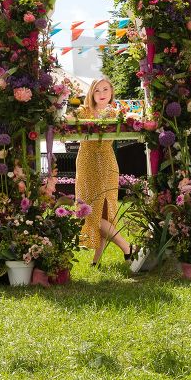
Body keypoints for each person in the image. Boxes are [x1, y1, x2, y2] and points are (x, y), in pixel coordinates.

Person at [75, 78, 131, 265]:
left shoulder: (117, 113)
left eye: (105, 89)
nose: (101, 93)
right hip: (87, 163)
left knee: (104, 211)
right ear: (91, 93)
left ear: (111, 92)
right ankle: (127, 247)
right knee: (90, 211)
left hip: (107, 163)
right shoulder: (83, 111)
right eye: (97, 90)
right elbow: (66, 121)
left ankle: (96, 261)